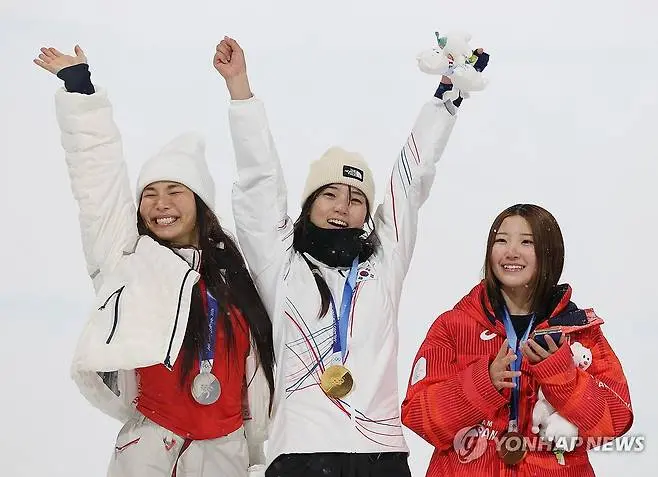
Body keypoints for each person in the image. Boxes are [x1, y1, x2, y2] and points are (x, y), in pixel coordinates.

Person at [211, 34, 489, 477]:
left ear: (366, 213)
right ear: (309, 204)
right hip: (301, 453)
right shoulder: (281, 265)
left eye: (356, 198)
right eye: (330, 194)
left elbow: (410, 181)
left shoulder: (383, 264)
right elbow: (259, 181)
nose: (342, 206)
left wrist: (446, 99)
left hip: (381, 455)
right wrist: (240, 90)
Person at [34, 45, 275, 477]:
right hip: (152, 448)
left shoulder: (239, 273)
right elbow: (97, 180)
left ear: (200, 203)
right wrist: (80, 88)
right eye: (149, 193)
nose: (160, 204)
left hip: (228, 450)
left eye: (174, 191)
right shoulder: (127, 259)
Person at [401, 203, 634, 476]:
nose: (511, 251)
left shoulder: (578, 331)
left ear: (550, 253)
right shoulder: (453, 325)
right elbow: (418, 416)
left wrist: (562, 377)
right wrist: (482, 383)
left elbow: (615, 420)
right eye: (501, 240)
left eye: (526, 242)